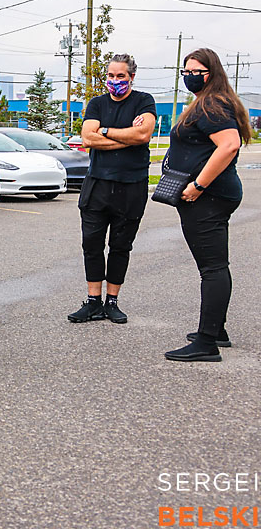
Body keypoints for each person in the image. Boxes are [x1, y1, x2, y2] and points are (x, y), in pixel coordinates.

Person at [163, 49, 251, 362]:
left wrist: (199, 185)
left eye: (196, 70)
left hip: (209, 198)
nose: (189, 75)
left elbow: (229, 145)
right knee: (214, 265)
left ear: (210, 73)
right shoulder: (208, 101)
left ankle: (207, 342)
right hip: (213, 196)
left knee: (212, 268)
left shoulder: (212, 104)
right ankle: (218, 330)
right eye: (185, 70)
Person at [69, 54, 156, 324]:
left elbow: (143, 135)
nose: (114, 81)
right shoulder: (97, 103)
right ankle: (93, 302)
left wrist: (104, 132)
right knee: (92, 245)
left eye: (120, 76)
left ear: (131, 77)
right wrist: (124, 136)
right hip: (98, 184)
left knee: (120, 246)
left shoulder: (144, 101)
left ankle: (112, 302)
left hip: (132, 186)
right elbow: (87, 137)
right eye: (110, 76)